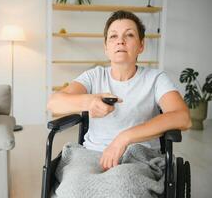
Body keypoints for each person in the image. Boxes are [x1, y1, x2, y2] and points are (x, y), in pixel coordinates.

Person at [47, 10, 191, 171]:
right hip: (92, 155)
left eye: (129, 35)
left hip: (138, 158)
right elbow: (54, 103)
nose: (120, 41)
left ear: (141, 45)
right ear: (106, 47)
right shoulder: (94, 76)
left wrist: (124, 138)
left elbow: (183, 117)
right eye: (113, 36)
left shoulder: (156, 79)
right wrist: (90, 101)